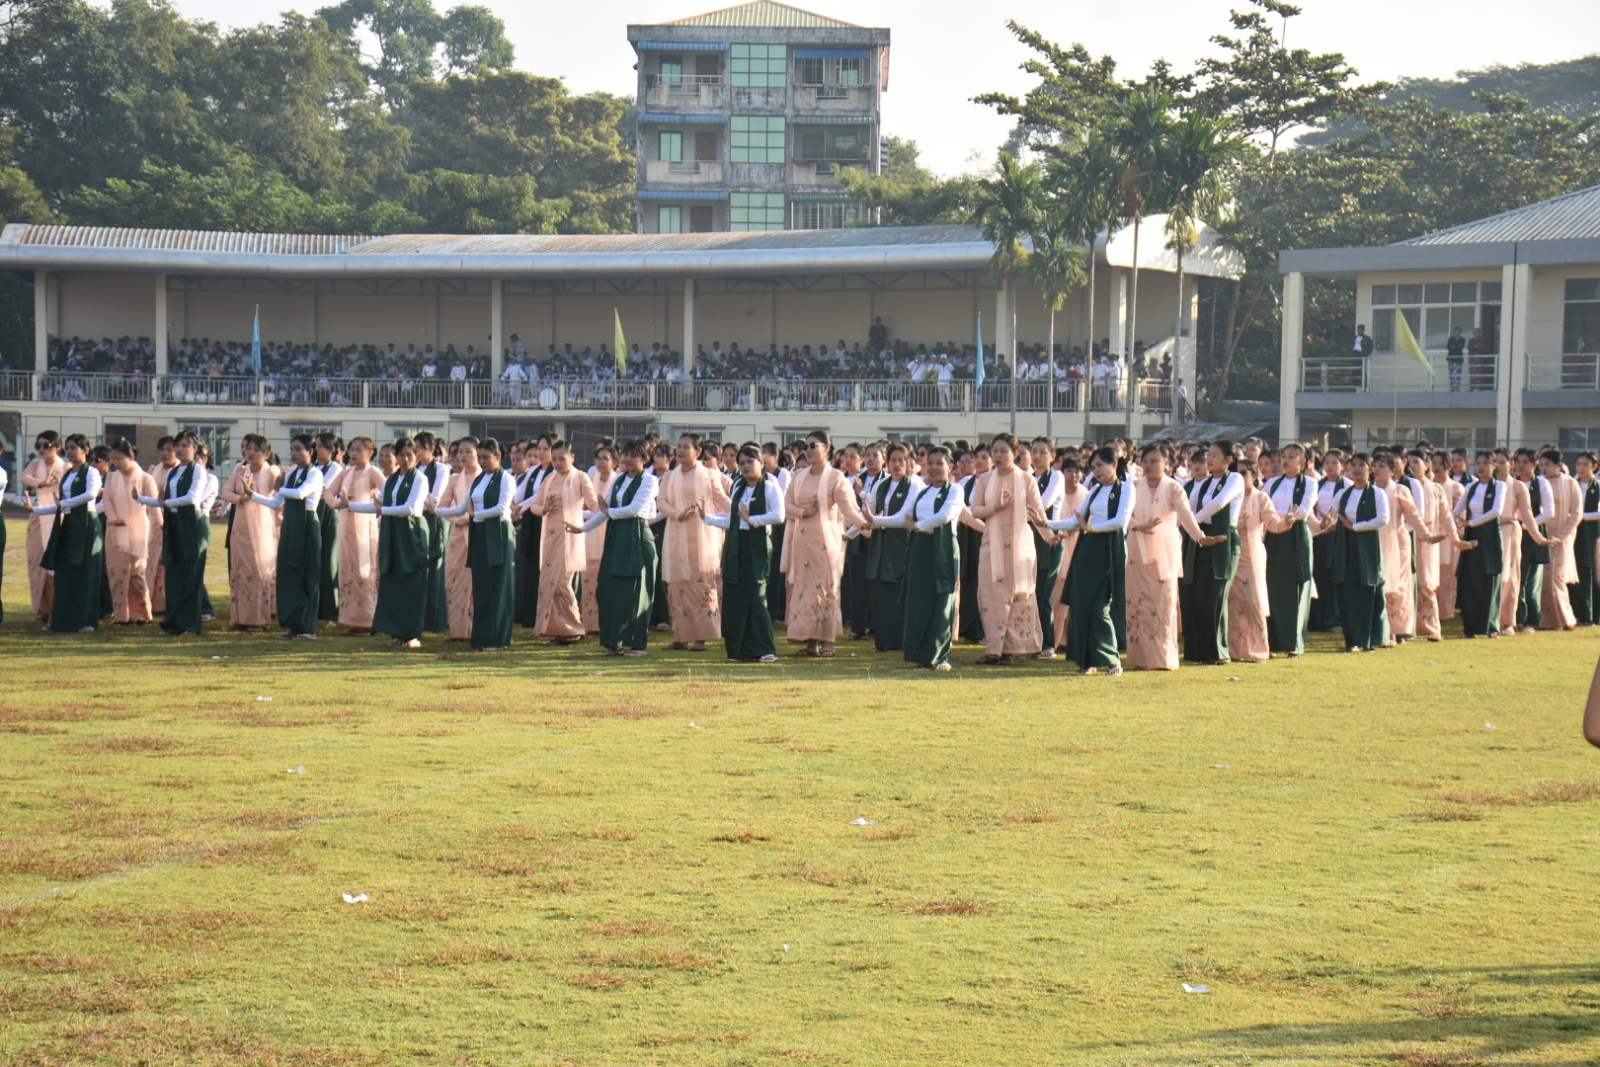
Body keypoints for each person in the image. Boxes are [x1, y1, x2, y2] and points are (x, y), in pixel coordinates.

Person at [872, 446, 972, 671]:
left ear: (950, 467)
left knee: (942, 601)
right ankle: (921, 654)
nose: (934, 468)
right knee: (919, 601)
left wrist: (918, 526)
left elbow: (944, 516)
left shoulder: (956, 490)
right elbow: (903, 518)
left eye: (940, 463)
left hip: (943, 549)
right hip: (920, 550)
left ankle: (940, 655)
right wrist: (875, 520)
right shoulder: (922, 492)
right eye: (931, 463)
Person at [1124, 444, 1216, 670]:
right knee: (1137, 602)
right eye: (1145, 461)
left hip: (1164, 552)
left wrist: (1200, 537)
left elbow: (1186, 516)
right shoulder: (1133, 486)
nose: (1149, 465)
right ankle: (1140, 658)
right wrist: (1138, 525)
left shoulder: (1174, 488)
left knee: (1162, 604)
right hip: (1137, 549)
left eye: (1154, 461)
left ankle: (1162, 658)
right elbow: (1124, 515)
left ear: (1167, 463)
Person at [1049, 445, 1133, 675]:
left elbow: (1120, 521)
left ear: (1114, 464)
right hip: (1087, 551)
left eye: (1100, 465)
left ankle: (1112, 659)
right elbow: (1075, 522)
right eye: (1093, 467)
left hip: (1110, 550)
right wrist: (1045, 522)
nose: (1096, 471)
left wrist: (1092, 528)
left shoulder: (1126, 489)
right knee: (1082, 606)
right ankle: (1087, 662)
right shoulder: (1094, 490)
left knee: (1100, 608)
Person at [781, 431, 865, 658]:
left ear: (826, 448)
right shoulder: (799, 476)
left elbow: (849, 509)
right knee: (805, 589)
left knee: (826, 588)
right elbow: (785, 504)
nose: (808, 450)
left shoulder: (836, 477)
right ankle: (810, 643)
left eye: (813, 446)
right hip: (802, 542)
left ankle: (828, 642)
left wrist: (865, 524)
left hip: (825, 544)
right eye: (805, 446)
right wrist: (803, 511)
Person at [968, 433, 1050, 665]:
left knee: (1017, 595)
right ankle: (994, 649)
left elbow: (1039, 514)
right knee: (991, 596)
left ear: (1015, 453)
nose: (998, 455)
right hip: (991, 544)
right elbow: (975, 510)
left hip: (1019, 546)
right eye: (995, 451)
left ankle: (1012, 650)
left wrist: (1050, 536)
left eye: (1004, 451)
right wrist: (995, 506)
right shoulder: (984, 479)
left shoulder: (1026, 479)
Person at [701, 445, 784, 663]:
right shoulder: (738, 486)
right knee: (735, 597)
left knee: (756, 597)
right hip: (737, 547)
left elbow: (779, 515)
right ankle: (738, 651)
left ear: (761, 463)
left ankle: (765, 649)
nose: (746, 467)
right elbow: (734, 521)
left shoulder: (770, 486)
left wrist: (753, 520)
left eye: (750, 462)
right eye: (742, 463)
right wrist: (707, 518)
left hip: (757, 547)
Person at [436, 437, 516, 651]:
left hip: (498, 533)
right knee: (481, 587)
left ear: (498, 456)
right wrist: (438, 511)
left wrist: (477, 515)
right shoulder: (479, 479)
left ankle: (498, 638)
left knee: (497, 587)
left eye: (486, 457)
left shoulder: (506, 479)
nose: (482, 461)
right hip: (479, 534)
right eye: (479, 457)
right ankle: (482, 637)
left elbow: (502, 508)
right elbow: (464, 507)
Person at [581, 439, 659, 656]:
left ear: (644, 459)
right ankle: (614, 641)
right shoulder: (619, 480)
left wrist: (610, 512)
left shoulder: (650, 480)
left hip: (637, 536)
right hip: (616, 538)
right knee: (610, 589)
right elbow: (604, 510)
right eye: (625, 454)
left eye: (633, 455)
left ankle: (637, 643)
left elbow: (634, 509)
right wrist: (583, 528)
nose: (627, 459)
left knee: (636, 592)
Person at [357, 437, 430, 648]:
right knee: (395, 582)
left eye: (409, 455)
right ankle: (398, 632)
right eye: (401, 455)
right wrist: (349, 505)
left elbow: (411, 508)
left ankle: (413, 634)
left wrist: (384, 510)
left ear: (416, 456)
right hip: (392, 534)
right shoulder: (392, 480)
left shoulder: (420, 479)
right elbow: (378, 506)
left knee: (412, 582)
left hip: (411, 534)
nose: (405, 459)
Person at [249, 434, 324, 640]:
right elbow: (276, 503)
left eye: (299, 449)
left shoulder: (315, 473)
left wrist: (280, 486)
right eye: (292, 449)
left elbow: (301, 493)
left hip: (307, 525)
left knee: (307, 573)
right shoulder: (291, 474)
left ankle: (307, 627)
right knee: (289, 572)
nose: (294, 453)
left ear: (311, 452)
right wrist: (252, 495)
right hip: (290, 526)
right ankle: (293, 624)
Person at [527, 439, 598, 642]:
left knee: (562, 583)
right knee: (548, 583)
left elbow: (593, 505)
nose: (557, 463)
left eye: (562, 459)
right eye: (555, 459)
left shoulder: (580, 477)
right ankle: (554, 629)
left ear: (572, 457)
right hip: (549, 539)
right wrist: (544, 509)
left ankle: (573, 628)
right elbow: (534, 506)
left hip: (569, 538)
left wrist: (604, 509)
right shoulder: (549, 479)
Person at [137, 432, 209, 636]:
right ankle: (174, 623)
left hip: (191, 525)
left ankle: (190, 625)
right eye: (178, 445)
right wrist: (142, 498)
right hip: (174, 524)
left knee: (190, 575)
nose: (180, 449)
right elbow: (163, 501)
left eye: (185, 445)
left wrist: (166, 503)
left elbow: (192, 498)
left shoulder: (198, 471)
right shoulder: (174, 471)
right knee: (174, 575)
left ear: (195, 449)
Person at [29, 433, 102, 633]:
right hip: (69, 524)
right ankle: (61, 620)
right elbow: (61, 505)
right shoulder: (68, 474)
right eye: (68, 448)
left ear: (86, 450)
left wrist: (64, 503)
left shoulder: (92, 472)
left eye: (74, 447)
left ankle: (86, 621)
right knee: (64, 574)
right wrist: (36, 510)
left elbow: (90, 495)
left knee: (85, 573)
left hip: (87, 524)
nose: (70, 451)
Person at [657, 433, 723, 651]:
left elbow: (721, 500)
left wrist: (742, 515)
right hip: (676, 533)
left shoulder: (709, 475)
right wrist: (677, 514)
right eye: (679, 446)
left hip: (701, 536)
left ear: (698, 451)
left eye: (686, 447)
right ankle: (681, 636)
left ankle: (701, 638)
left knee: (700, 584)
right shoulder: (669, 476)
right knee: (678, 585)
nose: (681, 450)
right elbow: (662, 501)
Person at [1227, 459, 1292, 663]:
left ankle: (1257, 650)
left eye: (1244, 473)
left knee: (1253, 600)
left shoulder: (1261, 497)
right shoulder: (1229, 496)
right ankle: (1234, 650)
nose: (1239, 477)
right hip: (1230, 554)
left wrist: (1286, 521)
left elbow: (1274, 523)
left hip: (1252, 554)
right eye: (1236, 474)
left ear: (1254, 476)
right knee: (1233, 602)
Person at [1185, 441, 1244, 665]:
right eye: (1208, 455)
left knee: (1216, 595)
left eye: (1215, 455)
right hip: (1202, 538)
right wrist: (1190, 524)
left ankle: (1219, 651)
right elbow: (1190, 505)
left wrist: (1191, 523)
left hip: (1224, 539)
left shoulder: (1235, 479)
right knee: (1198, 594)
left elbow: (1219, 503)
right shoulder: (1204, 483)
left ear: (1228, 460)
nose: (1209, 459)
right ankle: (1200, 652)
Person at [861, 444, 921, 652]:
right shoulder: (882, 484)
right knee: (880, 592)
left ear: (908, 462)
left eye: (901, 460)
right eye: (893, 460)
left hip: (900, 544)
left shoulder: (913, 485)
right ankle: (883, 640)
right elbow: (868, 508)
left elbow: (904, 518)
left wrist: (876, 520)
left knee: (896, 592)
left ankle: (899, 641)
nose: (896, 464)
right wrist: (864, 519)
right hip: (880, 543)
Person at [324, 437, 385, 633]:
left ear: (370, 453)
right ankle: (351, 620)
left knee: (365, 571)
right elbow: (327, 493)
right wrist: (337, 504)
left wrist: (377, 501)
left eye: (359, 450)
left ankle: (368, 620)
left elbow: (388, 491)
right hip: (346, 527)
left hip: (365, 528)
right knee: (348, 570)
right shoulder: (345, 472)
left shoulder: (373, 472)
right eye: (352, 450)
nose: (354, 453)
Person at [1329, 452, 1389, 652]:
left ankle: (1368, 640)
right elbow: (1332, 515)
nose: (1356, 469)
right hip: (1345, 547)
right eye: (1353, 465)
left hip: (1366, 548)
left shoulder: (1377, 493)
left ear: (1370, 469)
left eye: (1361, 465)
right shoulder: (1342, 493)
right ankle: (1352, 640)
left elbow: (1383, 519)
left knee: (1367, 592)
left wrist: (1355, 526)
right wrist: (1327, 522)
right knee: (1347, 593)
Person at [220, 433, 280, 630]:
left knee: (259, 572)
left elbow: (280, 497)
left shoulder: (272, 472)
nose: (251, 453)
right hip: (240, 527)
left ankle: (259, 619)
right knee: (240, 571)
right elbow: (226, 492)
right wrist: (240, 498)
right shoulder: (240, 469)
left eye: (256, 449)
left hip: (263, 528)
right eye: (248, 448)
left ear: (267, 453)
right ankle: (240, 618)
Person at [1263, 443, 1317, 656]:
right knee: (1273, 586)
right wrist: (1279, 519)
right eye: (1283, 456)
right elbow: (1263, 506)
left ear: (1302, 461)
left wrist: (1284, 517)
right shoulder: (1272, 483)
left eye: (1292, 457)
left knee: (1296, 587)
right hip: (1274, 536)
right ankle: (1274, 641)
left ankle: (1294, 642)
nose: (1285, 460)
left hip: (1296, 537)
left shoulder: (1310, 483)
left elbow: (1304, 510)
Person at [100, 438, 159, 624]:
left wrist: (160, 525)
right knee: (116, 572)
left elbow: (154, 505)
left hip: (137, 531)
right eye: (113, 459)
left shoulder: (145, 479)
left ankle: (141, 614)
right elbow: (107, 500)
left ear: (131, 456)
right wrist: (113, 518)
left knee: (137, 573)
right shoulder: (111, 478)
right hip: (115, 530)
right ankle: (121, 615)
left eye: (119, 459)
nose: (116, 463)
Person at [1453, 450, 1505, 638]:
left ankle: (1491, 626)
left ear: (1493, 466)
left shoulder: (1499, 486)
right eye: (1479, 463)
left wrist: (1471, 522)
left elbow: (1496, 511)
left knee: (1489, 578)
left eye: (1486, 463)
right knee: (1470, 579)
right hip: (1471, 536)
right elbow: (1457, 510)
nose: (1481, 467)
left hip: (1490, 536)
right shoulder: (1471, 487)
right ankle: (1471, 627)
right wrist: (1452, 524)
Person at [436, 438, 481, 641]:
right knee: (454, 581)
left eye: (468, 451)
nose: (463, 456)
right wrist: (459, 519)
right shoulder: (454, 479)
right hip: (457, 537)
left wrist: (470, 518)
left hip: (478, 535)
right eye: (460, 452)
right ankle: (458, 631)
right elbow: (442, 508)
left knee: (475, 583)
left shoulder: (484, 477)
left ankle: (475, 629)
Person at [22, 431, 67, 620]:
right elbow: (25, 478)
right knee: (36, 562)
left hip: (58, 520)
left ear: (57, 447)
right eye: (38, 445)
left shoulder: (65, 467)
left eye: (46, 445)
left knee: (56, 565)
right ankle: (41, 609)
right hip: (37, 519)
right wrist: (42, 483)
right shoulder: (35, 464)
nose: (41, 449)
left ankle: (57, 607)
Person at [1507, 450, 1551, 633]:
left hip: (1533, 535)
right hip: (1515, 534)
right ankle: (1517, 617)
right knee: (1516, 576)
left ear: (1534, 464)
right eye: (1518, 461)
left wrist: (1528, 524)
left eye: (1525, 461)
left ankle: (1532, 620)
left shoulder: (1541, 483)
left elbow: (1549, 512)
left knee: (1530, 580)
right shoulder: (1512, 484)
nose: (1521, 465)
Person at [1031, 438, 1067, 659]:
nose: (1037, 456)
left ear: (1052, 456)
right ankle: (1029, 641)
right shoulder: (1027, 477)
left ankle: (1048, 643)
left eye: (1043, 452)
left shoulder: (1056, 477)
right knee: (1028, 593)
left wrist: (1020, 508)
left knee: (1043, 594)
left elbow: (1042, 505)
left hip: (1049, 540)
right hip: (1027, 539)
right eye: (1034, 451)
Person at [1538, 448, 1581, 631]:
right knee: (1544, 579)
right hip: (1541, 536)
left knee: (1557, 578)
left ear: (1558, 465)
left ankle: (1567, 620)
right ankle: (1547, 621)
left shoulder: (1570, 483)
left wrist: (1561, 536)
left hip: (1563, 537)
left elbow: (1577, 513)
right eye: (1541, 465)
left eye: (1547, 464)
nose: (1543, 468)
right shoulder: (1539, 483)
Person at [413, 432, 451, 633]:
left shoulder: (441, 469)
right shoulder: (415, 469)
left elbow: (435, 501)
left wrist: (416, 498)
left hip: (434, 522)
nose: (416, 453)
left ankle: (436, 619)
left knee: (435, 569)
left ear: (431, 449)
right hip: (417, 522)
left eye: (419, 449)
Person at [1308, 451, 1349, 632]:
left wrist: (1335, 523)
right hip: (1320, 532)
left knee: (1336, 574)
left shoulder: (1348, 485)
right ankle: (1318, 618)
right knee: (1320, 574)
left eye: (1335, 462)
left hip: (1340, 534)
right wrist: (1321, 523)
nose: (1330, 466)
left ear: (1342, 465)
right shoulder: (1317, 484)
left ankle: (1335, 618)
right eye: (1327, 462)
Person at [515, 435, 552, 630]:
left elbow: (539, 497)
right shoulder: (533, 471)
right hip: (531, 524)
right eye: (540, 448)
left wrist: (519, 507)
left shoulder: (555, 473)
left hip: (546, 523)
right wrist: (514, 505)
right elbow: (519, 493)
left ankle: (546, 615)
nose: (542, 453)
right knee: (529, 568)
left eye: (546, 449)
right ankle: (529, 614)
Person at [580, 445, 616, 634]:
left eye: (605, 458)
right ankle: (590, 623)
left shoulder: (617, 481)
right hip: (591, 532)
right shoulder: (591, 478)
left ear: (614, 462)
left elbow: (607, 511)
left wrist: (584, 514)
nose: (601, 462)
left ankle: (607, 621)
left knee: (606, 580)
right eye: (598, 458)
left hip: (609, 530)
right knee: (589, 579)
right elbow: (590, 507)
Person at [144, 436, 178, 615]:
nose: (165, 454)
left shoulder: (178, 470)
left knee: (165, 562)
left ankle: (164, 602)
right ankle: (151, 601)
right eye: (162, 450)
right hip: (152, 520)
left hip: (171, 520)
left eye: (169, 450)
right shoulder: (155, 469)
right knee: (152, 561)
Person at [313, 432, 343, 624]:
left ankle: (332, 611)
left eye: (320, 446)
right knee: (316, 562)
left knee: (329, 563)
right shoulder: (314, 467)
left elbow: (323, 488)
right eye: (316, 446)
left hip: (330, 516)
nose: (316, 450)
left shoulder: (336, 468)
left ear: (331, 449)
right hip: (316, 515)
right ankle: (318, 609)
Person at [1574, 452, 1600, 626]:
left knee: (1593, 571)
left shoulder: (1598, 486)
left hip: (1593, 534)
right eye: (1579, 464)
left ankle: (1593, 616)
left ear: (1594, 466)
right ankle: (1581, 614)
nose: (1581, 468)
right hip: (1575, 534)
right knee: (1579, 572)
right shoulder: (1572, 484)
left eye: (1585, 464)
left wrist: (1580, 516)